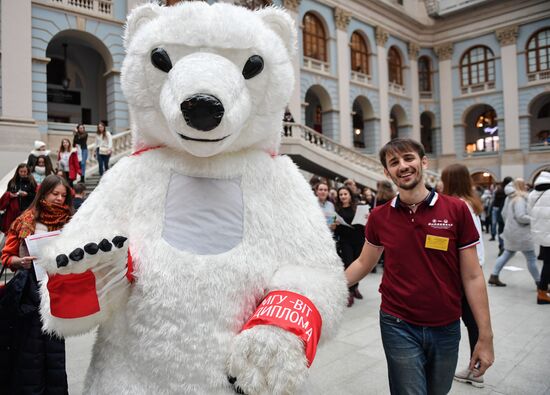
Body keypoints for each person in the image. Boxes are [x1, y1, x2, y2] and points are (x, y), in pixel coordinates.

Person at [345, 138, 494, 394]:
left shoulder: (456, 210)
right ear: (387, 172)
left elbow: (472, 276)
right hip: (397, 323)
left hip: (446, 325)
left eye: (408, 158)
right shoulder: (380, 216)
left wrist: (485, 335)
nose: (402, 166)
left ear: (423, 162)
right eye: (394, 162)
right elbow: (362, 262)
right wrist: (325, 287)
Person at [0, 174, 72, 394]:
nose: (59, 199)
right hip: (29, 294)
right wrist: (20, 262)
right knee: (30, 353)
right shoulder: (26, 220)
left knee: (55, 353)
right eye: (55, 193)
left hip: (58, 294)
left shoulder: (72, 223)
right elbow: (6, 257)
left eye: (63, 195)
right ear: (44, 193)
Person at [441, 163, 487, 388]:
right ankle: (475, 367)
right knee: (472, 322)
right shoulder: (470, 203)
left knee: (469, 321)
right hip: (473, 267)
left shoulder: (458, 206)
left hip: (462, 272)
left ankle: (476, 370)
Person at [489, 178, 540, 287]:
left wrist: (510, 224)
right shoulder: (520, 199)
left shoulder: (510, 198)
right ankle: (539, 282)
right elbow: (521, 216)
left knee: (507, 254)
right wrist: (534, 219)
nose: (526, 186)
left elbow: (503, 214)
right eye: (524, 184)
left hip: (512, 232)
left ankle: (494, 275)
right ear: (521, 186)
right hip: (521, 234)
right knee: (531, 257)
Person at [333, 186, 365, 307]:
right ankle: (350, 292)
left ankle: (355, 287)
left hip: (359, 240)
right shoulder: (337, 210)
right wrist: (335, 225)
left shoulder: (357, 207)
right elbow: (336, 230)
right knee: (349, 265)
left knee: (358, 265)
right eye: (340, 195)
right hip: (345, 242)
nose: (343, 196)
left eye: (345, 194)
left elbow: (363, 224)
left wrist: (367, 218)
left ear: (350, 195)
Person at [528, 170, 550, 304]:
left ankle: (543, 288)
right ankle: (542, 291)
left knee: (547, 261)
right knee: (548, 263)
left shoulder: (532, 195)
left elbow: (530, 213)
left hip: (540, 232)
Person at [0, 164, 37, 234]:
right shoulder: (12, 182)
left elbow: (35, 196)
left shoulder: (31, 182)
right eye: (21, 171)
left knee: (23, 229)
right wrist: (10, 195)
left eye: (25, 172)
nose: (23, 173)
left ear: (28, 172)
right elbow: (7, 192)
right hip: (12, 210)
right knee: (11, 229)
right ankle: (10, 241)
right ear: (18, 172)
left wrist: (27, 194)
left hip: (26, 210)